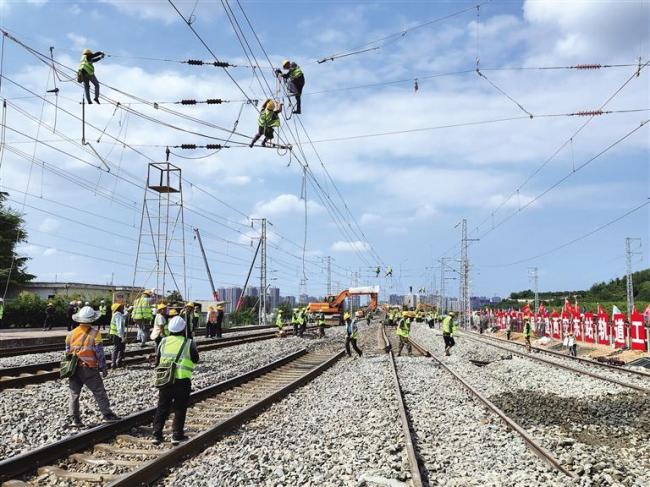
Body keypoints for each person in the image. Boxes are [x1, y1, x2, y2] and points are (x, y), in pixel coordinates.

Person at [66, 305, 120, 427]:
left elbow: (67, 351)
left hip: (73, 368)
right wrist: (104, 367)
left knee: (74, 393)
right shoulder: (95, 334)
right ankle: (107, 415)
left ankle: (74, 418)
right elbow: (99, 353)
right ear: (92, 320)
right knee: (99, 391)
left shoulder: (70, 334)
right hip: (89, 368)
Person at [151, 315, 199, 445]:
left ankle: (156, 434)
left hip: (165, 379)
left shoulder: (163, 341)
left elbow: (158, 358)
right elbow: (195, 359)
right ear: (183, 329)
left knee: (162, 407)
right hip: (182, 380)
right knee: (179, 408)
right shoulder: (188, 343)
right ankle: (177, 435)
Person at [109, 303, 126, 368]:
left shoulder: (118, 314)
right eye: (121, 307)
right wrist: (122, 337)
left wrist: (128, 311)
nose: (123, 308)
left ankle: (118, 363)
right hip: (117, 335)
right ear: (118, 309)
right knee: (117, 348)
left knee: (120, 348)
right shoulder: (118, 315)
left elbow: (124, 316)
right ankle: (114, 363)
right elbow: (119, 327)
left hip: (116, 334)